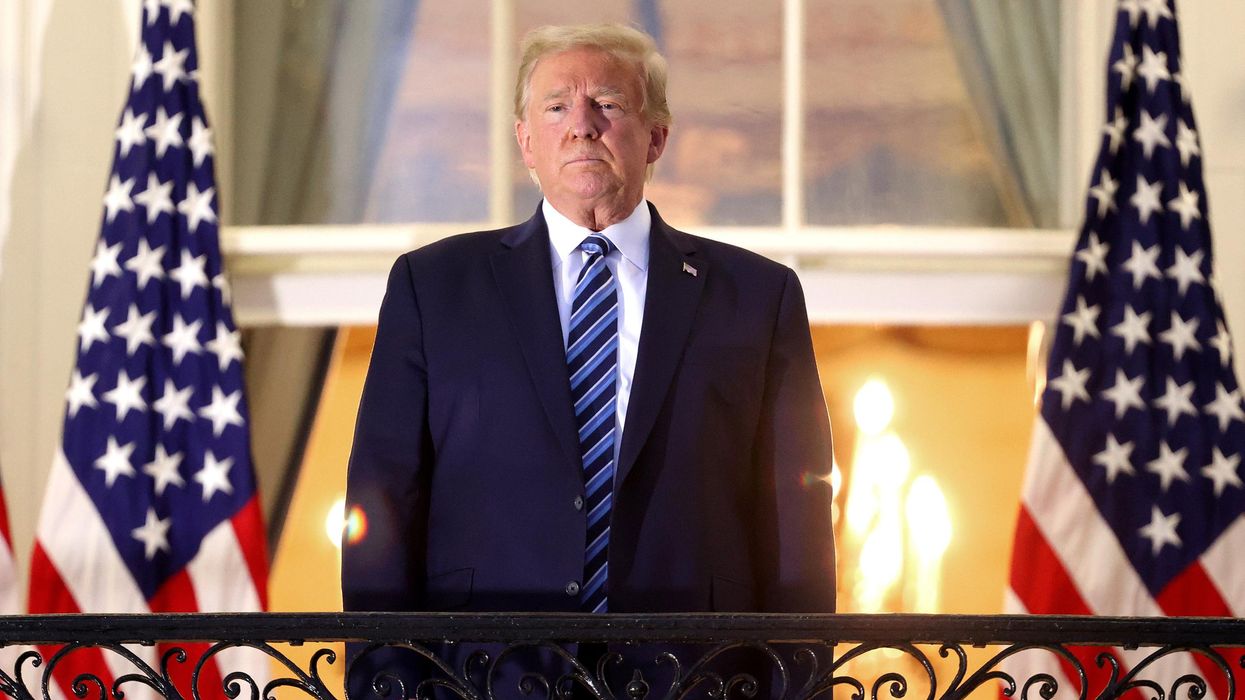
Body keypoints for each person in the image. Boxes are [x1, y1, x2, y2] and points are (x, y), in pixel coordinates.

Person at [342, 22, 835, 697]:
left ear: (656, 135)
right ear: (525, 142)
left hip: (698, 678)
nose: (581, 125)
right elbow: (383, 496)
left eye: (607, 103)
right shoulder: (434, 287)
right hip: (483, 676)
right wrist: (383, 684)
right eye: (555, 106)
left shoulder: (755, 295)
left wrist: (798, 683)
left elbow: (796, 513)